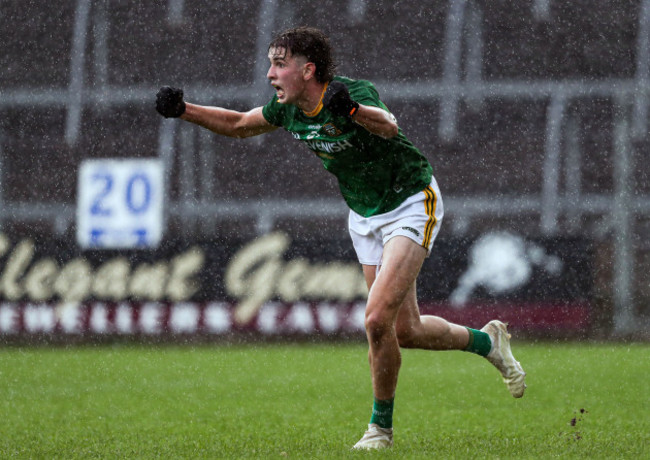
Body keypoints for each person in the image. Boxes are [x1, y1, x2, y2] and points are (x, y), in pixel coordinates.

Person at [155, 26, 526, 450]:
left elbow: (387, 127)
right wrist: (184, 109)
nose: (271, 74)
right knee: (404, 330)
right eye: (270, 64)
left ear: (307, 69)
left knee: (374, 319)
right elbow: (240, 124)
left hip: (409, 201)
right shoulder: (288, 109)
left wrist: (350, 112)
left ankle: (379, 431)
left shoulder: (348, 92)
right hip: (365, 215)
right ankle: (487, 342)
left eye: (279, 64)